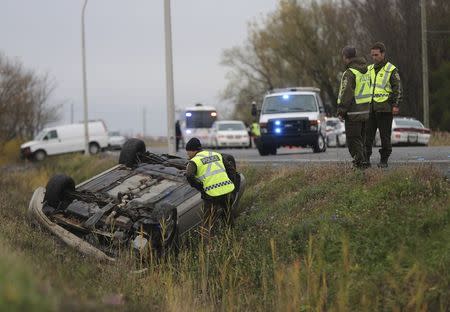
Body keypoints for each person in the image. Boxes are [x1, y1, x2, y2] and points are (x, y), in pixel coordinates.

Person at [184, 138, 236, 233]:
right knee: (228, 217)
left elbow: (189, 175)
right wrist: (230, 182)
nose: (188, 155)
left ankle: (208, 245)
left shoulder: (194, 161)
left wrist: (199, 187)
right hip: (227, 190)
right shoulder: (216, 155)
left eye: (188, 153)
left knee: (208, 222)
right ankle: (230, 238)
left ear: (192, 150)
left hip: (211, 194)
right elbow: (231, 170)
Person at [364, 42, 402, 168]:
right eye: (372, 55)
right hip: (371, 108)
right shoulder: (369, 69)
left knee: (385, 137)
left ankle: (384, 160)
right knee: (367, 136)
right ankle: (366, 159)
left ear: (383, 54)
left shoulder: (391, 69)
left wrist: (395, 105)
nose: (374, 57)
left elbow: (397, 88)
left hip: (385, 109)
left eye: (376, 55)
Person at [337, 46, 372, 169]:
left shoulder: (350, 73)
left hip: (353, 112)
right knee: (361, 139)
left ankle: (360, 162)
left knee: (353, 139)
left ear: (345, 57)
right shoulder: (366, 70)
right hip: (365, 111)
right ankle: (365, 160)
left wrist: (341, 110)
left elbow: (347, 93)